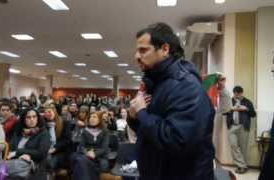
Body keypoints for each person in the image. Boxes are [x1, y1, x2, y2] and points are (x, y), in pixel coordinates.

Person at [128, 22, 215, 180]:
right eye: (137, 51)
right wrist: (134, 116)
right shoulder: (156, 82)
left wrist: (142, 113)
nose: (137, 56)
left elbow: (177, 141)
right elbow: (148, 132)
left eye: (143, 50)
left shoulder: (185, 86)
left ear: (165, 49)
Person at [70, 112, 109, 180]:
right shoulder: (85, 131)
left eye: (94, 117)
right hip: (86, 155)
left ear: (99, 119)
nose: (91, 119)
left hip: (99, 157)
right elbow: (81, 146)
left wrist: (94, 153)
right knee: (79, 160)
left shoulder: (105, 131)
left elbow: (104, 148)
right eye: (90, 117)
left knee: (79, 162)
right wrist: (87, 152)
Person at [226, 86, 256, 174]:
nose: (236, 96)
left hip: (243, 126)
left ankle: (241, 167)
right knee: (233, 145)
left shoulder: (247, 102)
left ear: (241, 93)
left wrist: (246, 109)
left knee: (243, 148)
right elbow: (224, 112)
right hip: (232, 126)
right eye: (235, 94)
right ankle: (243, 166)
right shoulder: (230, 101)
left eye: (238, 94)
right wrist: (231, 108)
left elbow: (253, 114)